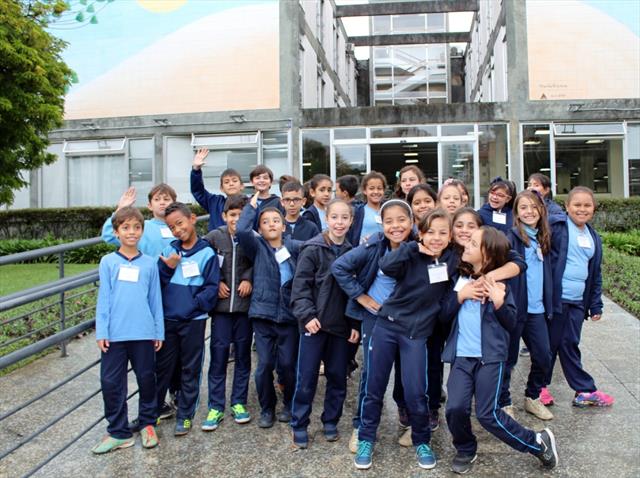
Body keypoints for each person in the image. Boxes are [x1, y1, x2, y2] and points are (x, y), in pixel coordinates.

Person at [441, 227, 558, 474]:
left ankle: (536, 442)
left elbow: (512, 322)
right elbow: (443, 315)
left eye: (473, 244)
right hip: (462, 356)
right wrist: (460, 296)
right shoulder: (458, 278)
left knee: (487, 414)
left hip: (491, 358)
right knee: (455, 408)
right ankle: (465, 447)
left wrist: (499, 302)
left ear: (487, 254)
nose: (467, 246)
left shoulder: (502, 284)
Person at [354, 208, 456, 470]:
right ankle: (366, 438)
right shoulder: (411, 252)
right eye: (430, 232)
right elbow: (386, 266)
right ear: (420, 233)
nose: (436, 238)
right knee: (374, 387)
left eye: (442, 233)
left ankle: (422, 441)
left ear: (450, 236)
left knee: (415, 391)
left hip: (417, 334)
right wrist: (414, 248)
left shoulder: (453, 259)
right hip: (387, 327)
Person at [332, 200, 413, 454]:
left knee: (407, 373)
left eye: (401, 220)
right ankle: (361, 426)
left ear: (411, 222)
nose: (395, 226)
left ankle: (409, 419)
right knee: (372, 374)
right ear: (381, 223)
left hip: (408, 321)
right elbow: (340, 267)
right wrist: (362, 298)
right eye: (389, 221)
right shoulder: (374, 244)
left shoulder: (419, 245)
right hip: (375, 319)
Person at [92, 207, 164, 454]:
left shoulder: (149, 264)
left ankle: (147, 423)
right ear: (117, 232)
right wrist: (102, 330)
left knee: (146, 379)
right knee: (111, 382)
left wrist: (159, 331)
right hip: (115, 334)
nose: (131, 232)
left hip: (144, 333)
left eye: (136, 227)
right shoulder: (108, 262)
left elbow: (155, 300)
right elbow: (104, 299)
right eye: (126, 228)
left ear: (142, 231)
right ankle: (118, 431)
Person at [289, 199, 359, 448]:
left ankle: (331, 420)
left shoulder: (353, 252)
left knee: (338, 377)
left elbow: (354, 292)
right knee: (306, 378)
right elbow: (300, 287)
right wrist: (307, 316)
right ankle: (299, 423)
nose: (339, 223)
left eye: (344, 218)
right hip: (314, 325)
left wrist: (355, 325)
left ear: (351, 221)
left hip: (340, 328)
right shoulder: (313, 248)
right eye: (335, 217)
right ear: (326, 219)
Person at [544, 187, 614, 407]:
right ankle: (546, 388)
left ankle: (576, 390)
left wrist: (595, 304)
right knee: (553, 344)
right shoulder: (557, 227)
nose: (582, 209)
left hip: (577, 301)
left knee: (567, 343)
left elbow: (595, 273)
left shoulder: (593, 236)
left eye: (587, 205)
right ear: (567, 207)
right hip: (557, 300)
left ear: (593, 208)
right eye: (577, 205)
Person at [156, 202, 220, 437]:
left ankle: (185, 415)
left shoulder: (207, 253)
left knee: (190, 368)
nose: (177, 230)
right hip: (168, 320)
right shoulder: (169, 251)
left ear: (192, 219)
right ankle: (152, 411)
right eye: (172, 227)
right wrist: (168, 268)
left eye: (180, 223)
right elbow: (157, 285)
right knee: (163, 367)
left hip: (193, 321)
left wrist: (192, 306)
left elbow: (211, 289)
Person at [237, 193, 300, 428]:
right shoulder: (257, 247)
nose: (271, 224)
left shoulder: (294, 247)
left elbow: (317, 247)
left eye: (276, 220)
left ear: (284, 226)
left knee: (288, 365)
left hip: (289, 316)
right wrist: (251, 208)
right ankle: (267, 408)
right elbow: (243, 231)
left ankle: (290, 404)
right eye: (265, 222)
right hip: (263, 315)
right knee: (264, 366)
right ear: (260, 229)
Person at [498, 191, 554, 421]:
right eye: (523, 208)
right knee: (508, 359)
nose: (529, 211)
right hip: (516, 310)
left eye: (533, 207)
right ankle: (503, 401)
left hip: (537, 310)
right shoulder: (510, 237)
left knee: (543, 356)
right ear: (517, 213)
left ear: (541, 210)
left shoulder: (544, 237)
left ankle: (532, 396)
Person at [201, 195, 254, 431]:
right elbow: (204, 261)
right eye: (232, 215)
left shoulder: (251, 237)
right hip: (221, 310)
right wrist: (217, 282)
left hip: (243, 309)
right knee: (219, 356)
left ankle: (239, 402)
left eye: (241, 215)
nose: (236, 219)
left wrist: (248, 278)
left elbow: (259, 260)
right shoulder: (214, 237)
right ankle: (215, 405)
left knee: (243, 357)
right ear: (224, 216)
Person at [101, 184, 176, 258]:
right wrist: (120, 209)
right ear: (150, 206)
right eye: (157, 199)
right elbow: (108, 235)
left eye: (166, 199)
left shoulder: (182, 227)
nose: (162, 202)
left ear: (174, 204)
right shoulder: (140, 227)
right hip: (147, 269)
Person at [190, 148, 245, 232]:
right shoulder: (215, 202)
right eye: (226, 182)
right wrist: (196, 170)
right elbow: (198, 191)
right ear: (221, 188)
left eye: (234, 181)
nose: (231, 184)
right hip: (216, 243)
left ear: (242, 186)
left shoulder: (250, 204)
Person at [347, 171, 386, 245]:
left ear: (383, 190)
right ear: (365, 191)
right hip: (364, 253)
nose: (376, 191)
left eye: (379, 188)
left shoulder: (389, 210)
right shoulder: (358, 212)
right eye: (371, 188)